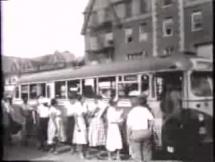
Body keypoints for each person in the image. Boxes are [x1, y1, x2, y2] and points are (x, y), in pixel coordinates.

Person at [127, 95, 154, 162]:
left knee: (136, 152)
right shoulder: (146, 110)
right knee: (147, 151)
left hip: (136, 133)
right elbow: (152, 120)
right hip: (145, 132)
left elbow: (129, 126)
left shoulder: (132, 111)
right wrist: (150, 129)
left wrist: (128, 137)